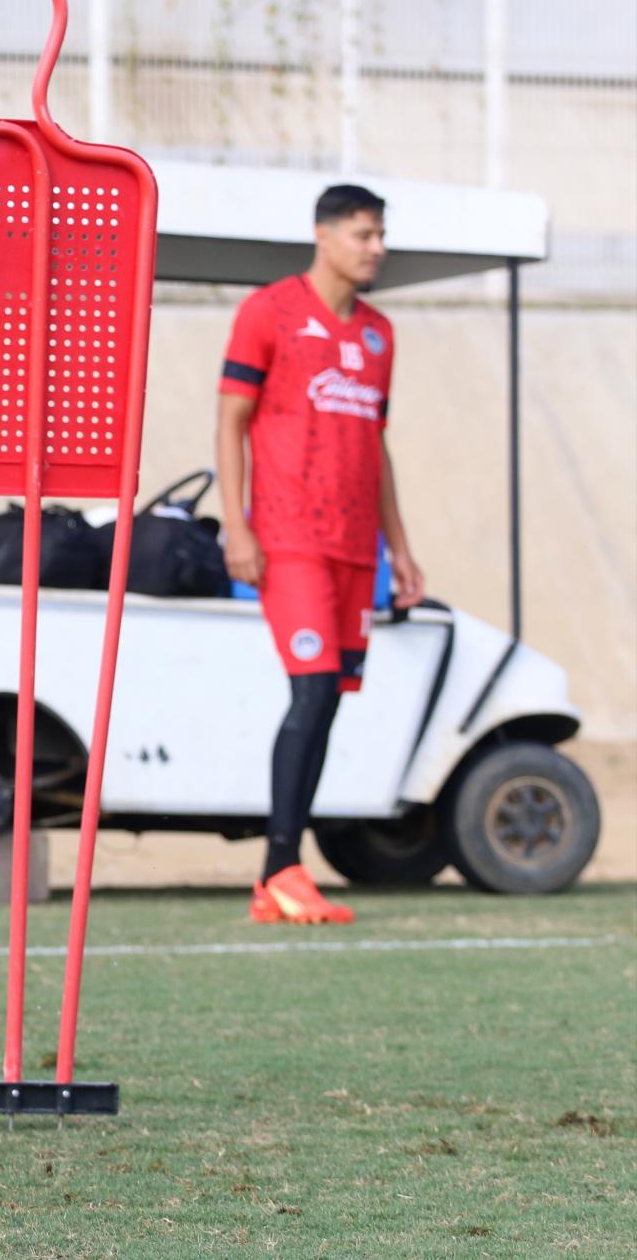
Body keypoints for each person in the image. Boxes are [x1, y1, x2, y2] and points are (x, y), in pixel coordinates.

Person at [216, 184, 424, 927]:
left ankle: (280, 874)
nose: (377, 247)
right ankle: (280, 866)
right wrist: (237, 529)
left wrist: (398, 550)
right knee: (310, 690)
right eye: (364, 234)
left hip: (352, 548)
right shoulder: (267, 312)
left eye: (380, 234)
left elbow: (376, 444)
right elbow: (231, 420)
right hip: (289, 539)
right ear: (324, 235)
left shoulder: (379, 334)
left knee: (329, 696)